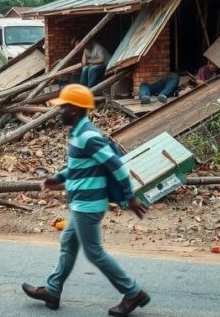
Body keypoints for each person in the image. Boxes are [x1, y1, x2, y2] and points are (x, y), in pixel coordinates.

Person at [22, 84, 150, 316]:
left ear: (75, 110)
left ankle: (133, 292)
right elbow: (76, 166)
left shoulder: (88, 136)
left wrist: (130, 197)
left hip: (88, 206)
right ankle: (52, 290)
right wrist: (56, 179)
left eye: (63, 107)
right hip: (80, 204)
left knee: (94, 253)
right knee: (68, 244)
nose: (59, 111)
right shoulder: (77, 133)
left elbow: (116, 164)